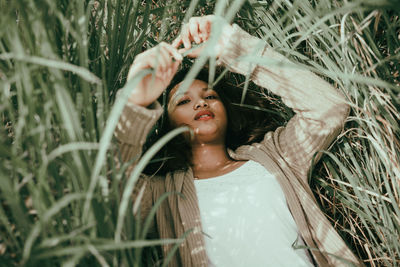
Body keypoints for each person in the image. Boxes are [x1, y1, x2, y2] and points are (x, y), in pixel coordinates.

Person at [115, 15, 362, 266]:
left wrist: (237, 48)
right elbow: (110, 198)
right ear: (167, 126)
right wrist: (134, 103)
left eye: (209, 96)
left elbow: (328, 109)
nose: (201, 103)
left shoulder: (276, 156)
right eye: (184, 101)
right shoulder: (160, 194)